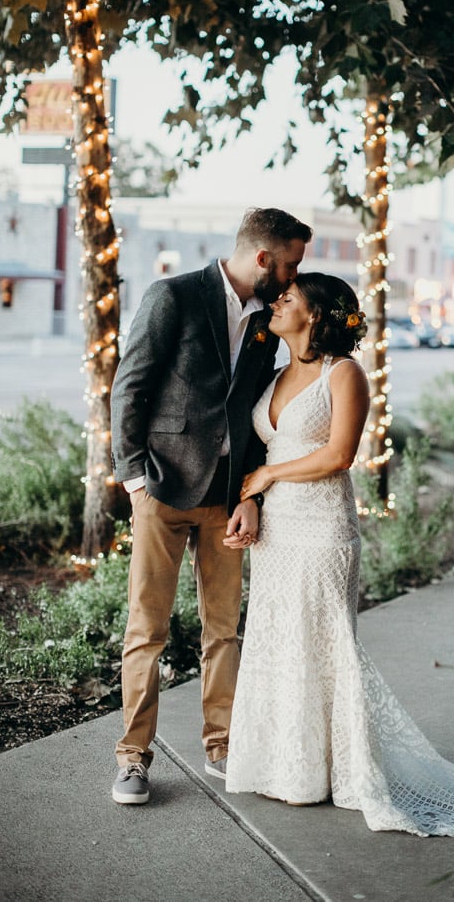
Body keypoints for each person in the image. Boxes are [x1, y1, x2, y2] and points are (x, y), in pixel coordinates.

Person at [226, 272, 454, 835]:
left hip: (323, 527)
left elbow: (338, 454)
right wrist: (251, 500)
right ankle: (287, 768)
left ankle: (340, 771)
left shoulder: (344, 374)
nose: (277, 302)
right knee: (279, 636)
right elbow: (253, 446)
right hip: (276, 531)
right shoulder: (273, 375)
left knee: (322, 642)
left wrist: (269, 472)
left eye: (289, 297)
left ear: (316, 315)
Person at [109, 207, 313, 805]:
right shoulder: (173, 295)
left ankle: (221, 745)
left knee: (223, 630)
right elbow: (131, 384)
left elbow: (254, 404)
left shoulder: (267, 319)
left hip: (227, 498)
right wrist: (133, 479)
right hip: (163, 489)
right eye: (291, 262)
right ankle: (131, 758)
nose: (296, 275)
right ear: (262, 259)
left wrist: (250, 492)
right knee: (147, 628)